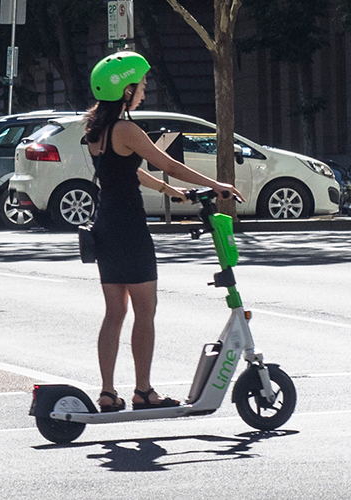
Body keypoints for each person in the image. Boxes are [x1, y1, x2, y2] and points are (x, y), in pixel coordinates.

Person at [84, 51, 244, 412]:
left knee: (114, 313)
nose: (143, 89)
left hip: (105, 224)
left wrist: (170, 191)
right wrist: (216, 184)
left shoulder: (98, 131)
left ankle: (108, 392)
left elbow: (128, 172)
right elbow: (167, 162)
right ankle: (143, 391)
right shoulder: (127, 129)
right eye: (140, 84)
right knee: (145, 309)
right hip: (129, 226)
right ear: (125, 90)